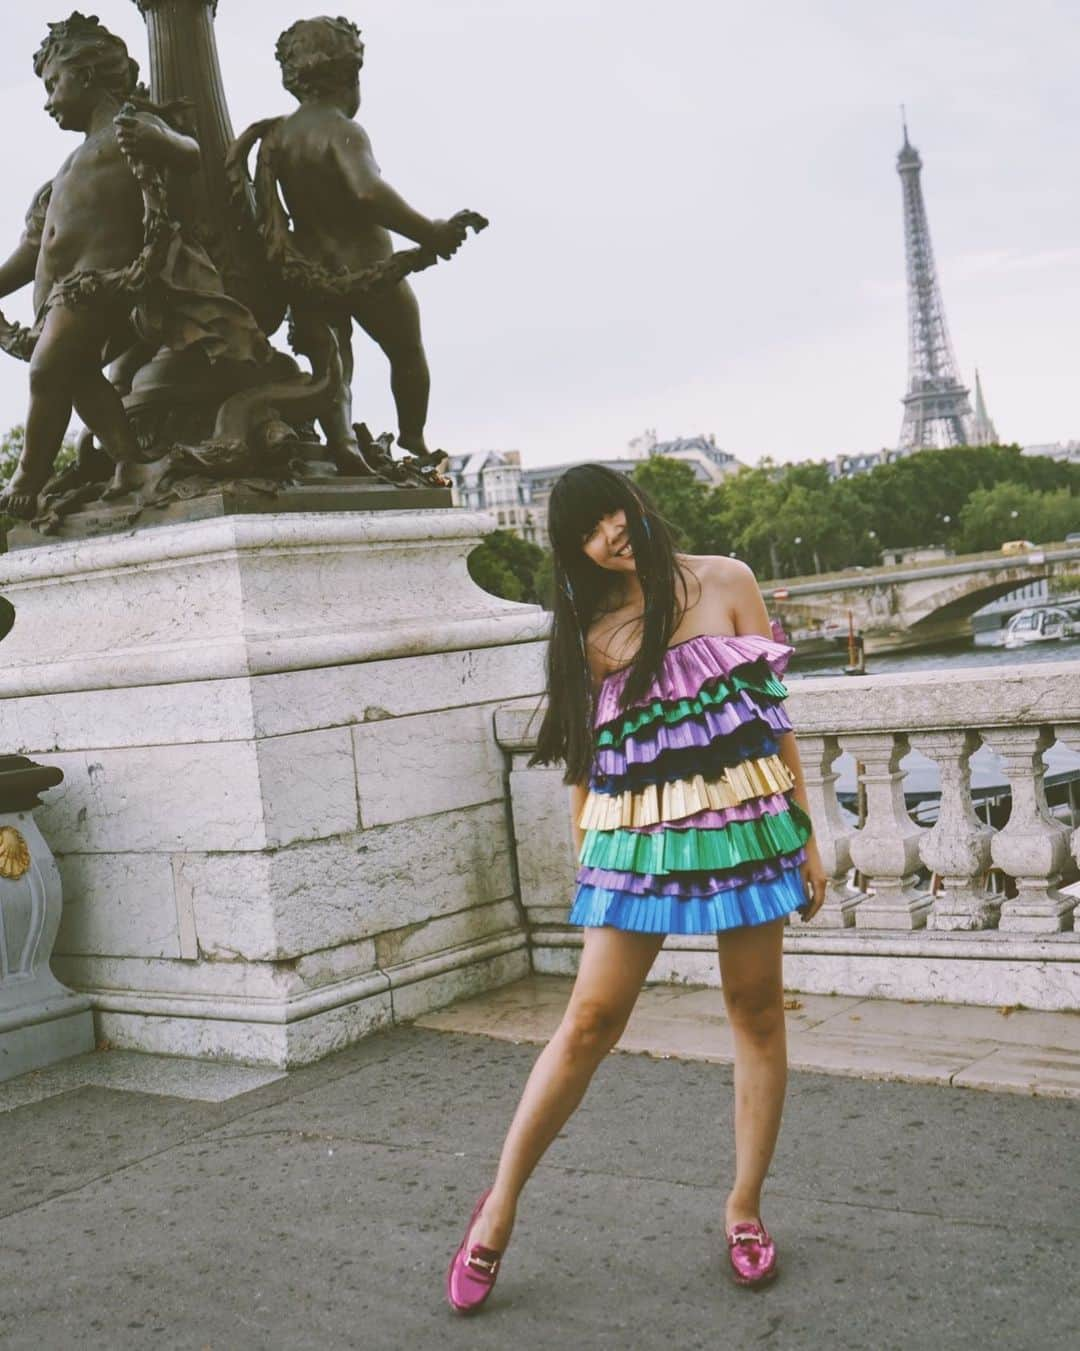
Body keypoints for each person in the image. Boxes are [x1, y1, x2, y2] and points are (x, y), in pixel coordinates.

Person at [446, 464, 827, 1313]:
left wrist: (806, 831)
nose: (609, 530)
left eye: (611, 509)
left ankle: (744, 1209)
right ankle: (497, 1208)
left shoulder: (728, 581)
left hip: (746, 822)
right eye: (588, 527)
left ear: (635, 502)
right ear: (575, 549)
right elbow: (585, 759)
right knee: (588, 1019)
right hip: (637, 838)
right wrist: (591, 855)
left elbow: (775, 717)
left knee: (757, 1009)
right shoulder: (589, 630)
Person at [0, 13, 268, 518]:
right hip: (61, 296)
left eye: (53, 83)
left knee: (47, 371)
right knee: (75, 373)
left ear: (86, 74)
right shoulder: (71, 164)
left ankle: (30, 474)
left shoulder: (132, 127)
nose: (48, 99)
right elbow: (32, 250)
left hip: (97, 285)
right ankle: (130, 459)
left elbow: (189, 152)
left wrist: (161, 141)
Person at [233, 17, 469, 471]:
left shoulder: (278, 137)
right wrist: (430, 232)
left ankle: (342, 439)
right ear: (351, 77)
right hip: (367, 267)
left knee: (334, 363)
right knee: (407, 351)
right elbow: (367, 191)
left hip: (308, 270)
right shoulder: (342, 129)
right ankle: (413, 438)